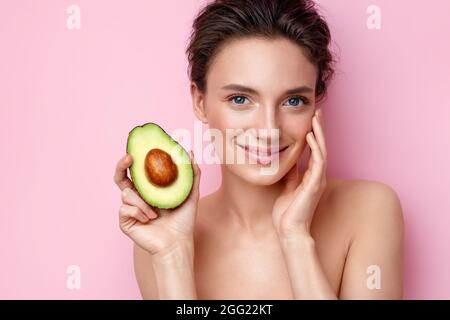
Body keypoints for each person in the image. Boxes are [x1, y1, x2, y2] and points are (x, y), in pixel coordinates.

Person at [113, 0, 404, 299]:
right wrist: (172, 257)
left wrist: (296, 238)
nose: (269, 129)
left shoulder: (368, 210)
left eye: (293, 101)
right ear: (200, 101)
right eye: (240, 99)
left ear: (316, 105)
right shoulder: (161, 235)